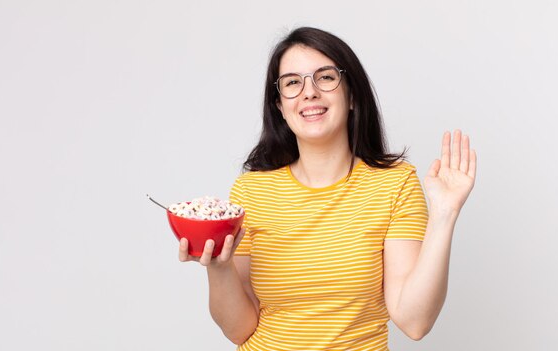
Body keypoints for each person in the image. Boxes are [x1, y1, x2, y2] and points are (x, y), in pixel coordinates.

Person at [178, 27, 476, 351]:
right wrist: (219, 269)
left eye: (325, 77)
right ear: (280, 106)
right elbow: (239, 330)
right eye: (292, 83)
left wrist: (444, 215)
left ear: (350, 95)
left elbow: (414, 321)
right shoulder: (252, 191)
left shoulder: (395, 183)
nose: (309, 93)